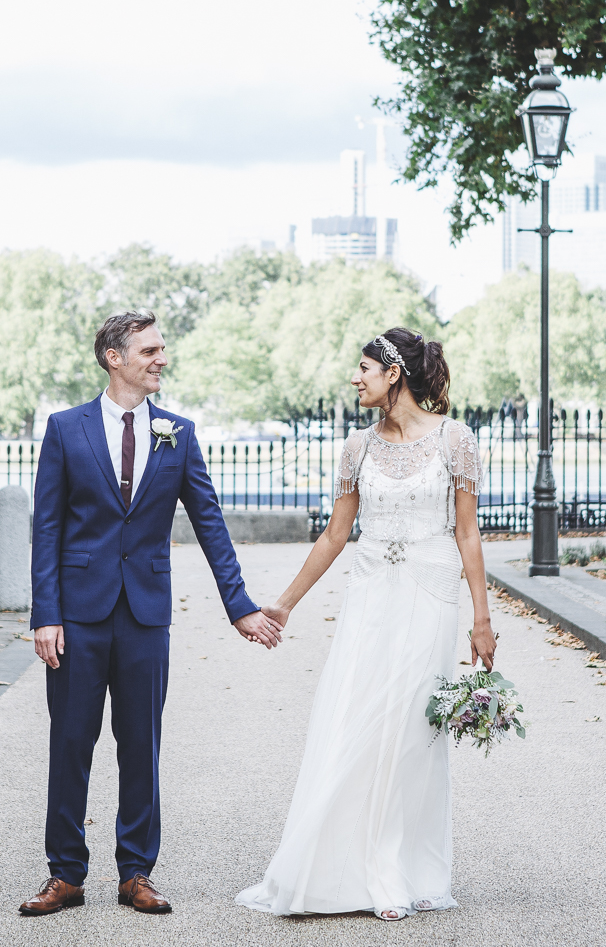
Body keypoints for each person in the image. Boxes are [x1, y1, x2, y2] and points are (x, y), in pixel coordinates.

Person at [21, 310, 283, 917]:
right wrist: (45, 614)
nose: (161, 358)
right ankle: (65, 874)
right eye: (149, 350)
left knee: (141, 743)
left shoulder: (178, 432)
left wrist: (238, 605)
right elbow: (48, 529)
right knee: (70, 743)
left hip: (145, 615)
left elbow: (209, 521)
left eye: (161, 349)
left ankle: (136, 872)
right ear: (115, 357)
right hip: (79, 616)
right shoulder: (65, 429)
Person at [239, 327, 493, 921]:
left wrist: (483, 618)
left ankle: (401, 867)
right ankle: (346, 865)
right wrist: (284, 603)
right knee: (352, 718)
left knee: (411, 732)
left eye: (364, 369)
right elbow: (335, 535)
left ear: (394, 373)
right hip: (371, 596)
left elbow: (468, 533)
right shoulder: (357, 447)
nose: (355, 379)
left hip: (431, 597)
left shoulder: (456, 441)